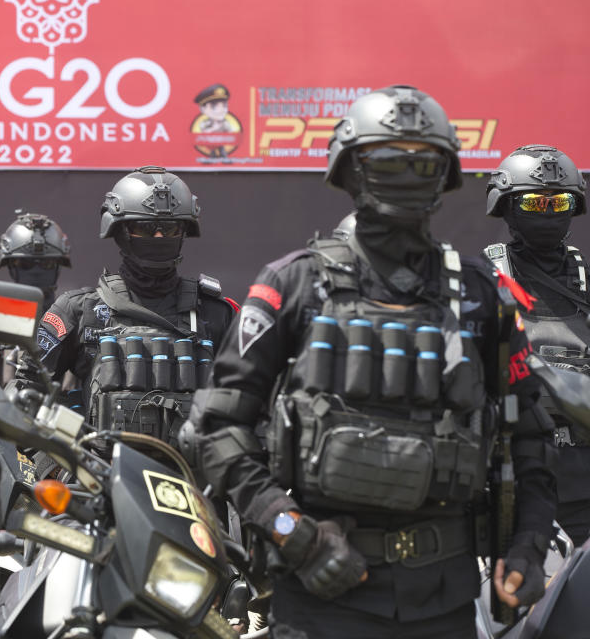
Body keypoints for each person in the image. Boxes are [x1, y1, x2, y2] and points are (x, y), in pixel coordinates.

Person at [182, 86, 556, 638]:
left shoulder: (481, 295)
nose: (406, 173)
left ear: (445, 173)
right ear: (352, 170)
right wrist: (293, 533)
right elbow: (216, 430)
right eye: (387, 160)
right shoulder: (294, 284)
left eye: (422, 160)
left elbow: (530, 437)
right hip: (318, 590)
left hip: (447, 597)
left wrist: (527, 546)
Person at [32, 166, 237, 447]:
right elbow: (26, 395)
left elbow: (249, 402)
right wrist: (69, 449)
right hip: (102, 481)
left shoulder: (216, 314)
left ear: (184, 232)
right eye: (144, 227)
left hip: (196, 481)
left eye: (170, 228)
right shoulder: (79, 311)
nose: (159, 238)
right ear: (119, 231)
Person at [484, 145, 590, 546]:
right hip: (508, 477)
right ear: (508, 207)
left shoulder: (587, 283)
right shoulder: (482, 283)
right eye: (534, 201)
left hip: (583, 483)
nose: (547, 211)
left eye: (558, 201)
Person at [0, 209, 71, 386]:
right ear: (11, 267)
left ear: (58, 266)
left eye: (47, 263)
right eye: (25, 264)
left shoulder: (73, 321)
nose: (36, 271)